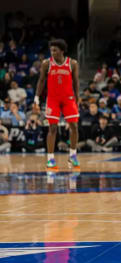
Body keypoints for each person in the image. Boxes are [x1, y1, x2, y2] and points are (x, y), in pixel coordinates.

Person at [35, 39, 80, 170]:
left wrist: (77, 98)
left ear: (62, 50)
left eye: (55, 50)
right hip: (53, 100)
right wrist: (36, 98)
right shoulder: (46, 63)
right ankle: (50, 159)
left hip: (68, 99)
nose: (52, 52)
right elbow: (41, 81)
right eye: (51, 50)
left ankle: (72, 156)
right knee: (52, 128)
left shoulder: (72, 63)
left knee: (74, 126)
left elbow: (76, 82)